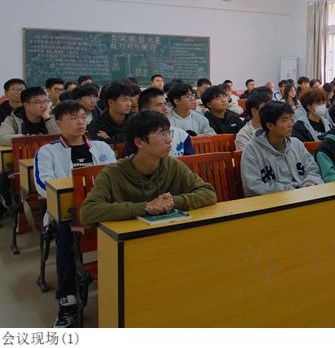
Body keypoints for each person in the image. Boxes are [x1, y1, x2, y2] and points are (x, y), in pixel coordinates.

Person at [33, 100, 117, 328]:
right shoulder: (47, 152)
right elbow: (44, 185)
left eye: (82, 117)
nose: (80, 122)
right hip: (66, 212)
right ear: (59, 123)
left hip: (103, 207)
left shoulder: (101, 148)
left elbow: (115, 177)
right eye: (73, 118)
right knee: (67, 232)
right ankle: (67, 301)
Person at [80, 111, 217, 228]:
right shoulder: (113, 173)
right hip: (130, 239)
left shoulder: (172, 165)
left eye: (168, 132)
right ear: (140, 142)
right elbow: (88, 212)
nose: (169, 139)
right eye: (162, 134)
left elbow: (209, 193)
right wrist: (146, 207)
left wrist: (173, 202)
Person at [241, 101, 323, 196]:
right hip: (274, 201)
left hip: (303, 196)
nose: (291, 124)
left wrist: (310, 183)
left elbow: (313, 170)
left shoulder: (296, 144)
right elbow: (252, 186)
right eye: (284, 120)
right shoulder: (252, 150)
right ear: (270, 125)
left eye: (291, 118)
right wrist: (289, 191)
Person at [134, 87, 194, 157]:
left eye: (165, 104)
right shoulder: (137, 137)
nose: (165, 108)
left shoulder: (182, 135)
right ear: (144, 110)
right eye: (159, 105)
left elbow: (189, 161)